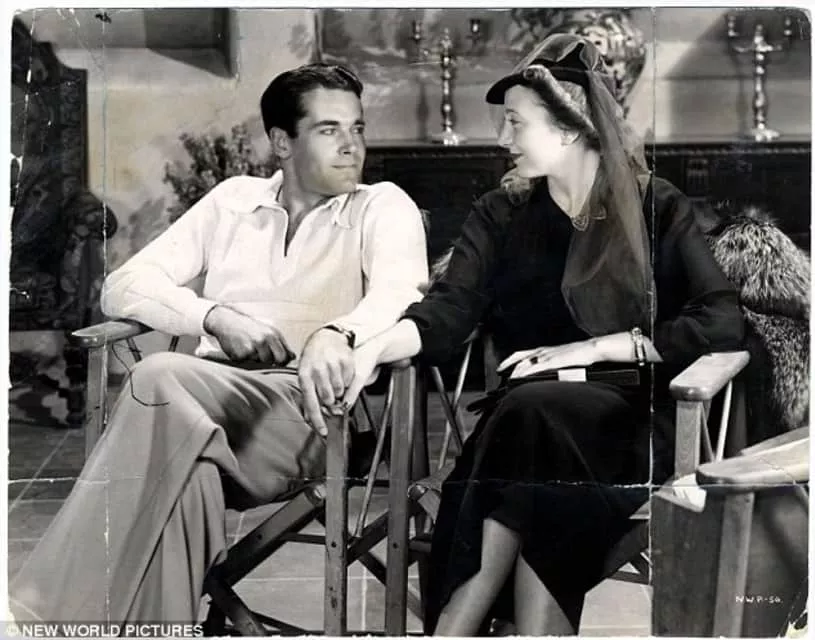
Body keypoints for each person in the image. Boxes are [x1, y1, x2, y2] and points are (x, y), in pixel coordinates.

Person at [343, 34, 745, 635]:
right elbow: (450, 309)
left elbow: (721, 318)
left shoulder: (655, 207)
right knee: (531, 430)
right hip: (527, 429)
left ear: (570, 128)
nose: (503, 140)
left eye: (516, 123)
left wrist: (598, 346)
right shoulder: (500, 214)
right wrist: (375, 346)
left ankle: (455, 628)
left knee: (528, 424)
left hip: (635, 424)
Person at [9, 63, 428, 624]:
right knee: (190, 478)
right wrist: (214, 317)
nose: (352, 145)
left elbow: (401, 294)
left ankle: (38, 613)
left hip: (310, 413)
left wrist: (339, 333)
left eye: (357, 128)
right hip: (203, 410)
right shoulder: (234, 201)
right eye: (329, 130)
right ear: (282, 142)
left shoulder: (381, 205)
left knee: (157, 376)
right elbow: (122, 285)